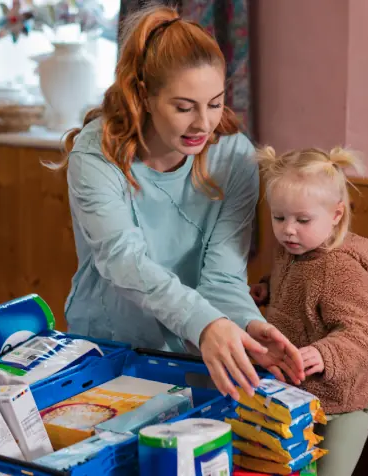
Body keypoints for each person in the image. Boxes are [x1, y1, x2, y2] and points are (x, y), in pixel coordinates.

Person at [54, 4, 305, 400]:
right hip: (106, 351)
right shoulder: (97, 152)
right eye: (184, 107)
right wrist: (205, 323)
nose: (203, 124)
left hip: (193, 353)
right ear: (144, 96)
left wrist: (246, 325)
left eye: (215, 103)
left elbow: (222, 277)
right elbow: (122, 260)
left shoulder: (235, 157)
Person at [251, 146, 368, 476]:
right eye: (279, 217)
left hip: (343, 404)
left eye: (302, 220)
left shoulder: (339, 270)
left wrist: (326, 353)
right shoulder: (294, 249)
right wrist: (267, 288)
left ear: (336, 215)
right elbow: (297, 290)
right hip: (300, 393)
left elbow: (365, 335)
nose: (288, 229)